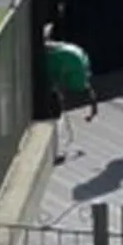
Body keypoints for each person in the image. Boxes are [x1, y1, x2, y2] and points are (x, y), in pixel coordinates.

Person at [43, 21, 96, 160]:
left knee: (57, 122)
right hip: (54, 98)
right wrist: (92, 112)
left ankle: (58, 152)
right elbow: (90, 94)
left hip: (53, 97)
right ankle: (57, 152)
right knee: (57, 123)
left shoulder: (66, 64)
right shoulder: (69, 64)